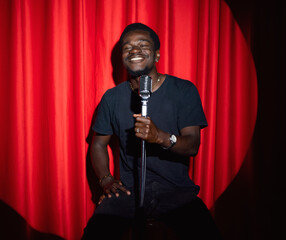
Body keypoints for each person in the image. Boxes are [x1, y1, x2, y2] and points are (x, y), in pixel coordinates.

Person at [83, 23, 221, 239]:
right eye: (127, 47)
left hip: (176, 192)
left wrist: (160, 137)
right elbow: (98, 143)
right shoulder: (111, 98)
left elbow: (193, 144)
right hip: (129, 191)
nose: (134, 50)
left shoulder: (183, 91)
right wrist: (106, 180)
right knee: (96, 232)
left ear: (156, 55)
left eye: (142, 45)